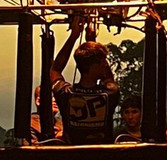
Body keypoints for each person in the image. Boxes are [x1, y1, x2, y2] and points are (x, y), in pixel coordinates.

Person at [50, 16, 120, 144]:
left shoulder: (65, 93)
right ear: (94, 66)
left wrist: (74, 36)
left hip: (73, 155)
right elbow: (109, 78)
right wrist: (91, 41)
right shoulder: (109, 94)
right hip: (103, 155)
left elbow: (55, 70)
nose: (105, 64)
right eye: (102, 61)